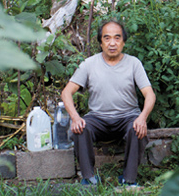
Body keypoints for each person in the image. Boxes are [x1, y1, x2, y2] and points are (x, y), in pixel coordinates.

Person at [61, 20, 155, 186]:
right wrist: (75, 118)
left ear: (123, 42)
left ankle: (128, 180)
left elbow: (149, 94)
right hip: (98, 119)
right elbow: (67, 92)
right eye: (107, 38)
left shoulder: (133, 63)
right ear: (101, 42)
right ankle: (89, 178)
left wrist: (142, 117)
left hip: (127, 117)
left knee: (138, 129)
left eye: (117, 38)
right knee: (80, 129)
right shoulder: (89, 64)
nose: (112, 43)